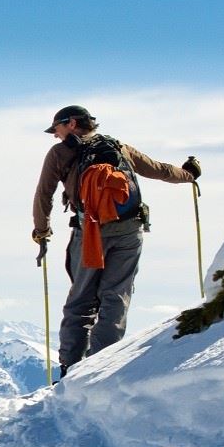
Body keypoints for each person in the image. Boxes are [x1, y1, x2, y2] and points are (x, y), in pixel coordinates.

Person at [30, 105, 200, 377]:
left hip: (89, 233)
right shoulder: (119, 148)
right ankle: (99, 370)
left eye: (57, 128)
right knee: (116, 297)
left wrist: (41, 231)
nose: (55, 135)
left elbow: (44, 195)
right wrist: (189, 175)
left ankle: (70, 370)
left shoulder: (61, 153)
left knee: (81, 301)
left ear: (71, 123)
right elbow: (160, 170)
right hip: (130, 231)